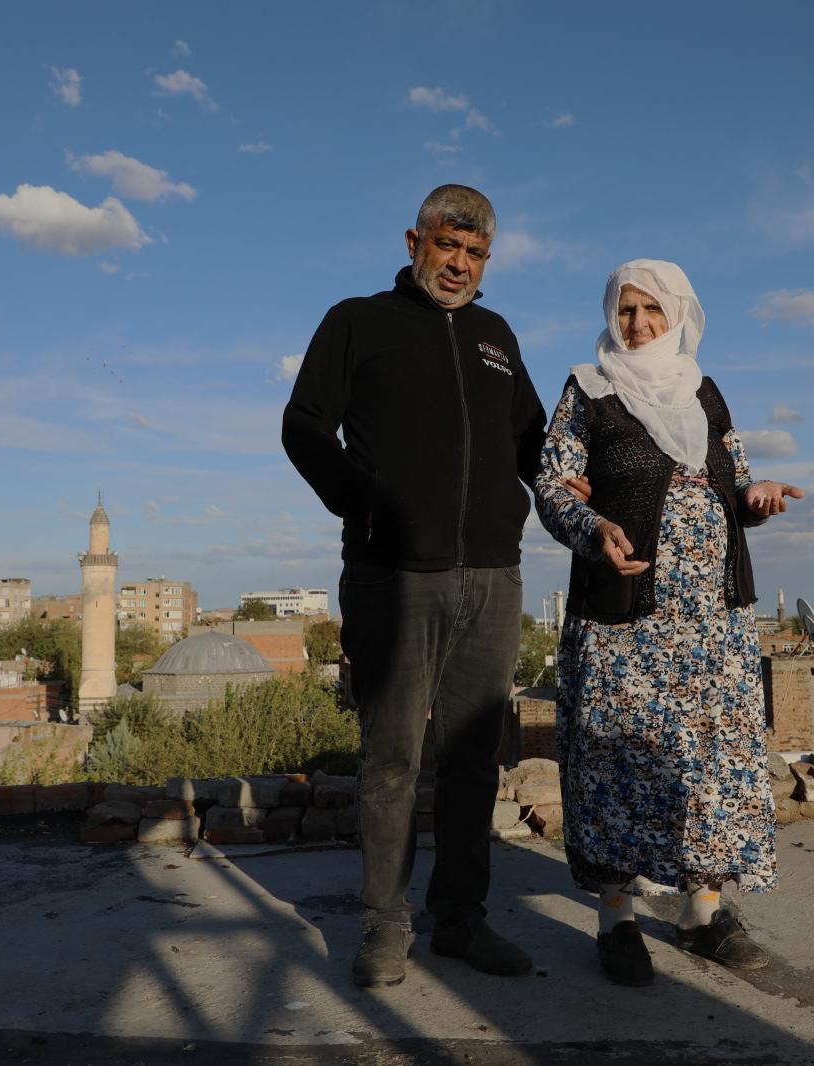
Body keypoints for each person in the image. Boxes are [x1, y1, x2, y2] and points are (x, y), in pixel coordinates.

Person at [282, 185, 547, 989]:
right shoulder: (357, 321)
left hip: (493, 578)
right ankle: (385, 927)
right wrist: (365, 500)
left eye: (475, 254)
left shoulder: (497, 337)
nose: (459, 265)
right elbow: (303, 424)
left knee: (471, 761)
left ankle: (459, 922)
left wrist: (599, 510)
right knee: (392, 759)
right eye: (446, 248)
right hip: (391, 577)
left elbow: (536, 445)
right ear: (414, 242)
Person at [533, 259, 803, 986]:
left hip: (711, 624)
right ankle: (618, 922)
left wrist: (757, 495)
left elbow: (736, 478)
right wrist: (594, 531)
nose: (639, 325)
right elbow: (554, 488)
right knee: (617, 763)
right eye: (626, 311)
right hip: (627, 621)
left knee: (708, 765)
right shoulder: (587, 390)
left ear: (680, 314)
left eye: (653, 310)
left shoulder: (703, 391)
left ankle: (702, 915)